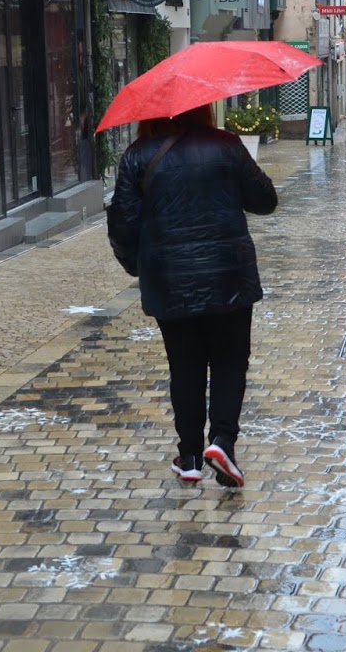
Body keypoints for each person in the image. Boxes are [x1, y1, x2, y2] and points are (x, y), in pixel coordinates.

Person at [108, 104, 278, 487]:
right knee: (230, 361)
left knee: (184, 366)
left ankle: (189, 457)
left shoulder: (137, 156)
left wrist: (139, 266)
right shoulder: (226, 145)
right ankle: (222, 442)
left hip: (170, 279)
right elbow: (265, 201)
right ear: (204, 108)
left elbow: (122, 224)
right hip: (229, 276)